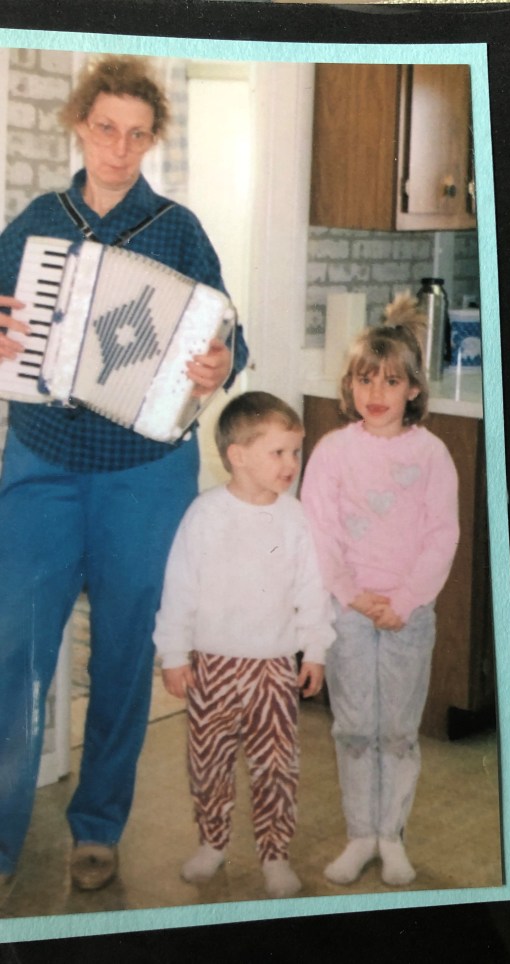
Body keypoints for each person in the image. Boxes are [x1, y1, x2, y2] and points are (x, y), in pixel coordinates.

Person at [0, 55, 248, 893]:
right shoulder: (36, 222)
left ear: (151, 141)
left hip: (145, 473)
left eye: (136, 135)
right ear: (80, 125)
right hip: (40, 460)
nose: (118, 147)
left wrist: (222, 362)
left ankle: (98, 825)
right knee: (14, 652)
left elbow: (227, 334)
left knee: (121, 655)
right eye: (105, 128)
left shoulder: (176, 229)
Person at [300, 295, 459, 887]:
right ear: (350, 385)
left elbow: (442, 536)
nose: (378, 392)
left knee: (395, 730)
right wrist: (349, 593)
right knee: (353, 727)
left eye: (392, 381)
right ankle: (360, 834)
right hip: (348, 612)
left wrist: (407, 599)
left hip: (408, 616)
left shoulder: (433, 455)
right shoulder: (333, 452)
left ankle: (391, 836)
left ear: (413, 389)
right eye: (367, 378)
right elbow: (319, 531)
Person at [153, 391, 334, 898]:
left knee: (277, 765)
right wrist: (173, 653)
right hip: (212, 664)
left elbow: (311, 589)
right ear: (238, 455)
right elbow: (180, 587)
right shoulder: (206, 514)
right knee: (208, 762)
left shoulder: (294, 518)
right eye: (278, 453)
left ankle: (275, 854)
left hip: (274, 667)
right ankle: (212, 843)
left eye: (295, 453)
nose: (290, 464)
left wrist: (315, 648)